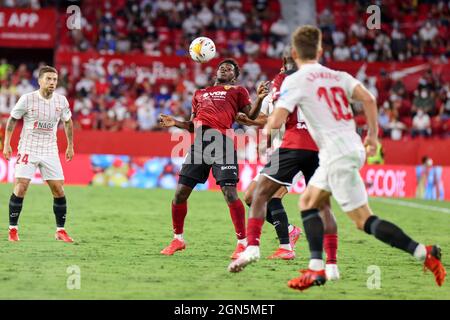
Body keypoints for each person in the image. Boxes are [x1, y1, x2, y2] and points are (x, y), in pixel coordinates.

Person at [228, 25, 446, 291]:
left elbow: (275, 121)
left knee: (279, 197)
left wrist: (264, 128)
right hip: (349, 148)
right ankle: (421, 253)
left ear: (294, 53)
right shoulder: (338, 75)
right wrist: (374, 137)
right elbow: (369, 99)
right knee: (337, 211)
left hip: (333, 152)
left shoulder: (294, 80)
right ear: (320, 51)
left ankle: (290, 260)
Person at [236, 48, 340, 280]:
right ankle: (299, 239)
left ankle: (284, 246)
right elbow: (267, 117)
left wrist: (255, 122)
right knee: (252, 197)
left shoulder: (283, 81)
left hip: (291, 147)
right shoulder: (316, 81)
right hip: (290, 148)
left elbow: (275, 119)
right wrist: (253, 117)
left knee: (269, 196)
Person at [159, 59, 269, 259]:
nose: (224, 70)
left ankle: (242, 243)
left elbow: (251, 114)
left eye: (229, 69)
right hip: (199, 146)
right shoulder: (199, 93)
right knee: (179, 194)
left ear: (234, 76)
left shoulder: (238, 91)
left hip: (222, 143)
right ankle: (178, 239)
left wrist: (259, 98)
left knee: (229, 193)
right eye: (221, 67)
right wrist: (174, 122)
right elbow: (193, 124)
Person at [2, 66, 75, 242]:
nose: (52, 83)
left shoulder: (61, 101)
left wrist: (70, 145)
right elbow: (12, 120)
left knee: (58, 189)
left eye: (55, 80)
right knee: (21, 186)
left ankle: (60, 230)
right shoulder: (27, 99)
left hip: (50, 149)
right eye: (48, 79)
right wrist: (7, 144)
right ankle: (13, 229)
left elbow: (68, 122)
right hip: (28, 147)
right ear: (40, 81)